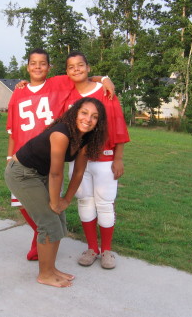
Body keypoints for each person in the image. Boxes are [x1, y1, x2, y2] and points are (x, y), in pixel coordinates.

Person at [6, 48, 115, 261]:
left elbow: (80, 74)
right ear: (27, 66)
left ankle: (43, 237)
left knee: (47, 201)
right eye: (33, 63)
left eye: (42, 63)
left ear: (49, 67)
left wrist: (103, 78)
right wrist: (9, 156)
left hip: (49, 153)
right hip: (23, 154)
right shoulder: (18, 91)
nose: (37, 67)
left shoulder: (57, 83)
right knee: (23, 203)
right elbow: (12, 130)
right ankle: (41, 232)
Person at [4, 97, 108, 287]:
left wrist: (66, 200)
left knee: (59, 221)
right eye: (84, 113)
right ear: (75, 112)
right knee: (49, 221)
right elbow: (56, 173)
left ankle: (51, 268)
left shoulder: (86, 137)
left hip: (40, 175)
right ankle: (45, 274)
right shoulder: (61, 134)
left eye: (95, 117)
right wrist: (55, 202)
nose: (88, 119)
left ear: (98, 122)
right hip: (22, 173)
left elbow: (78, 172)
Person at [65, 51, 130, 269]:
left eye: (80, 65)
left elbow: (118, 124)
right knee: (84, 201)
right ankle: (92, 248)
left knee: (104, 203)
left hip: (104, 158)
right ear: (66, 71)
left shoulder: (105, 91)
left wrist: (118, 157)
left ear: (88, 67)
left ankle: (107, 250)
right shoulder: (67, 92)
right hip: (78, 158)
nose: (76, 69)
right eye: (71, 67)